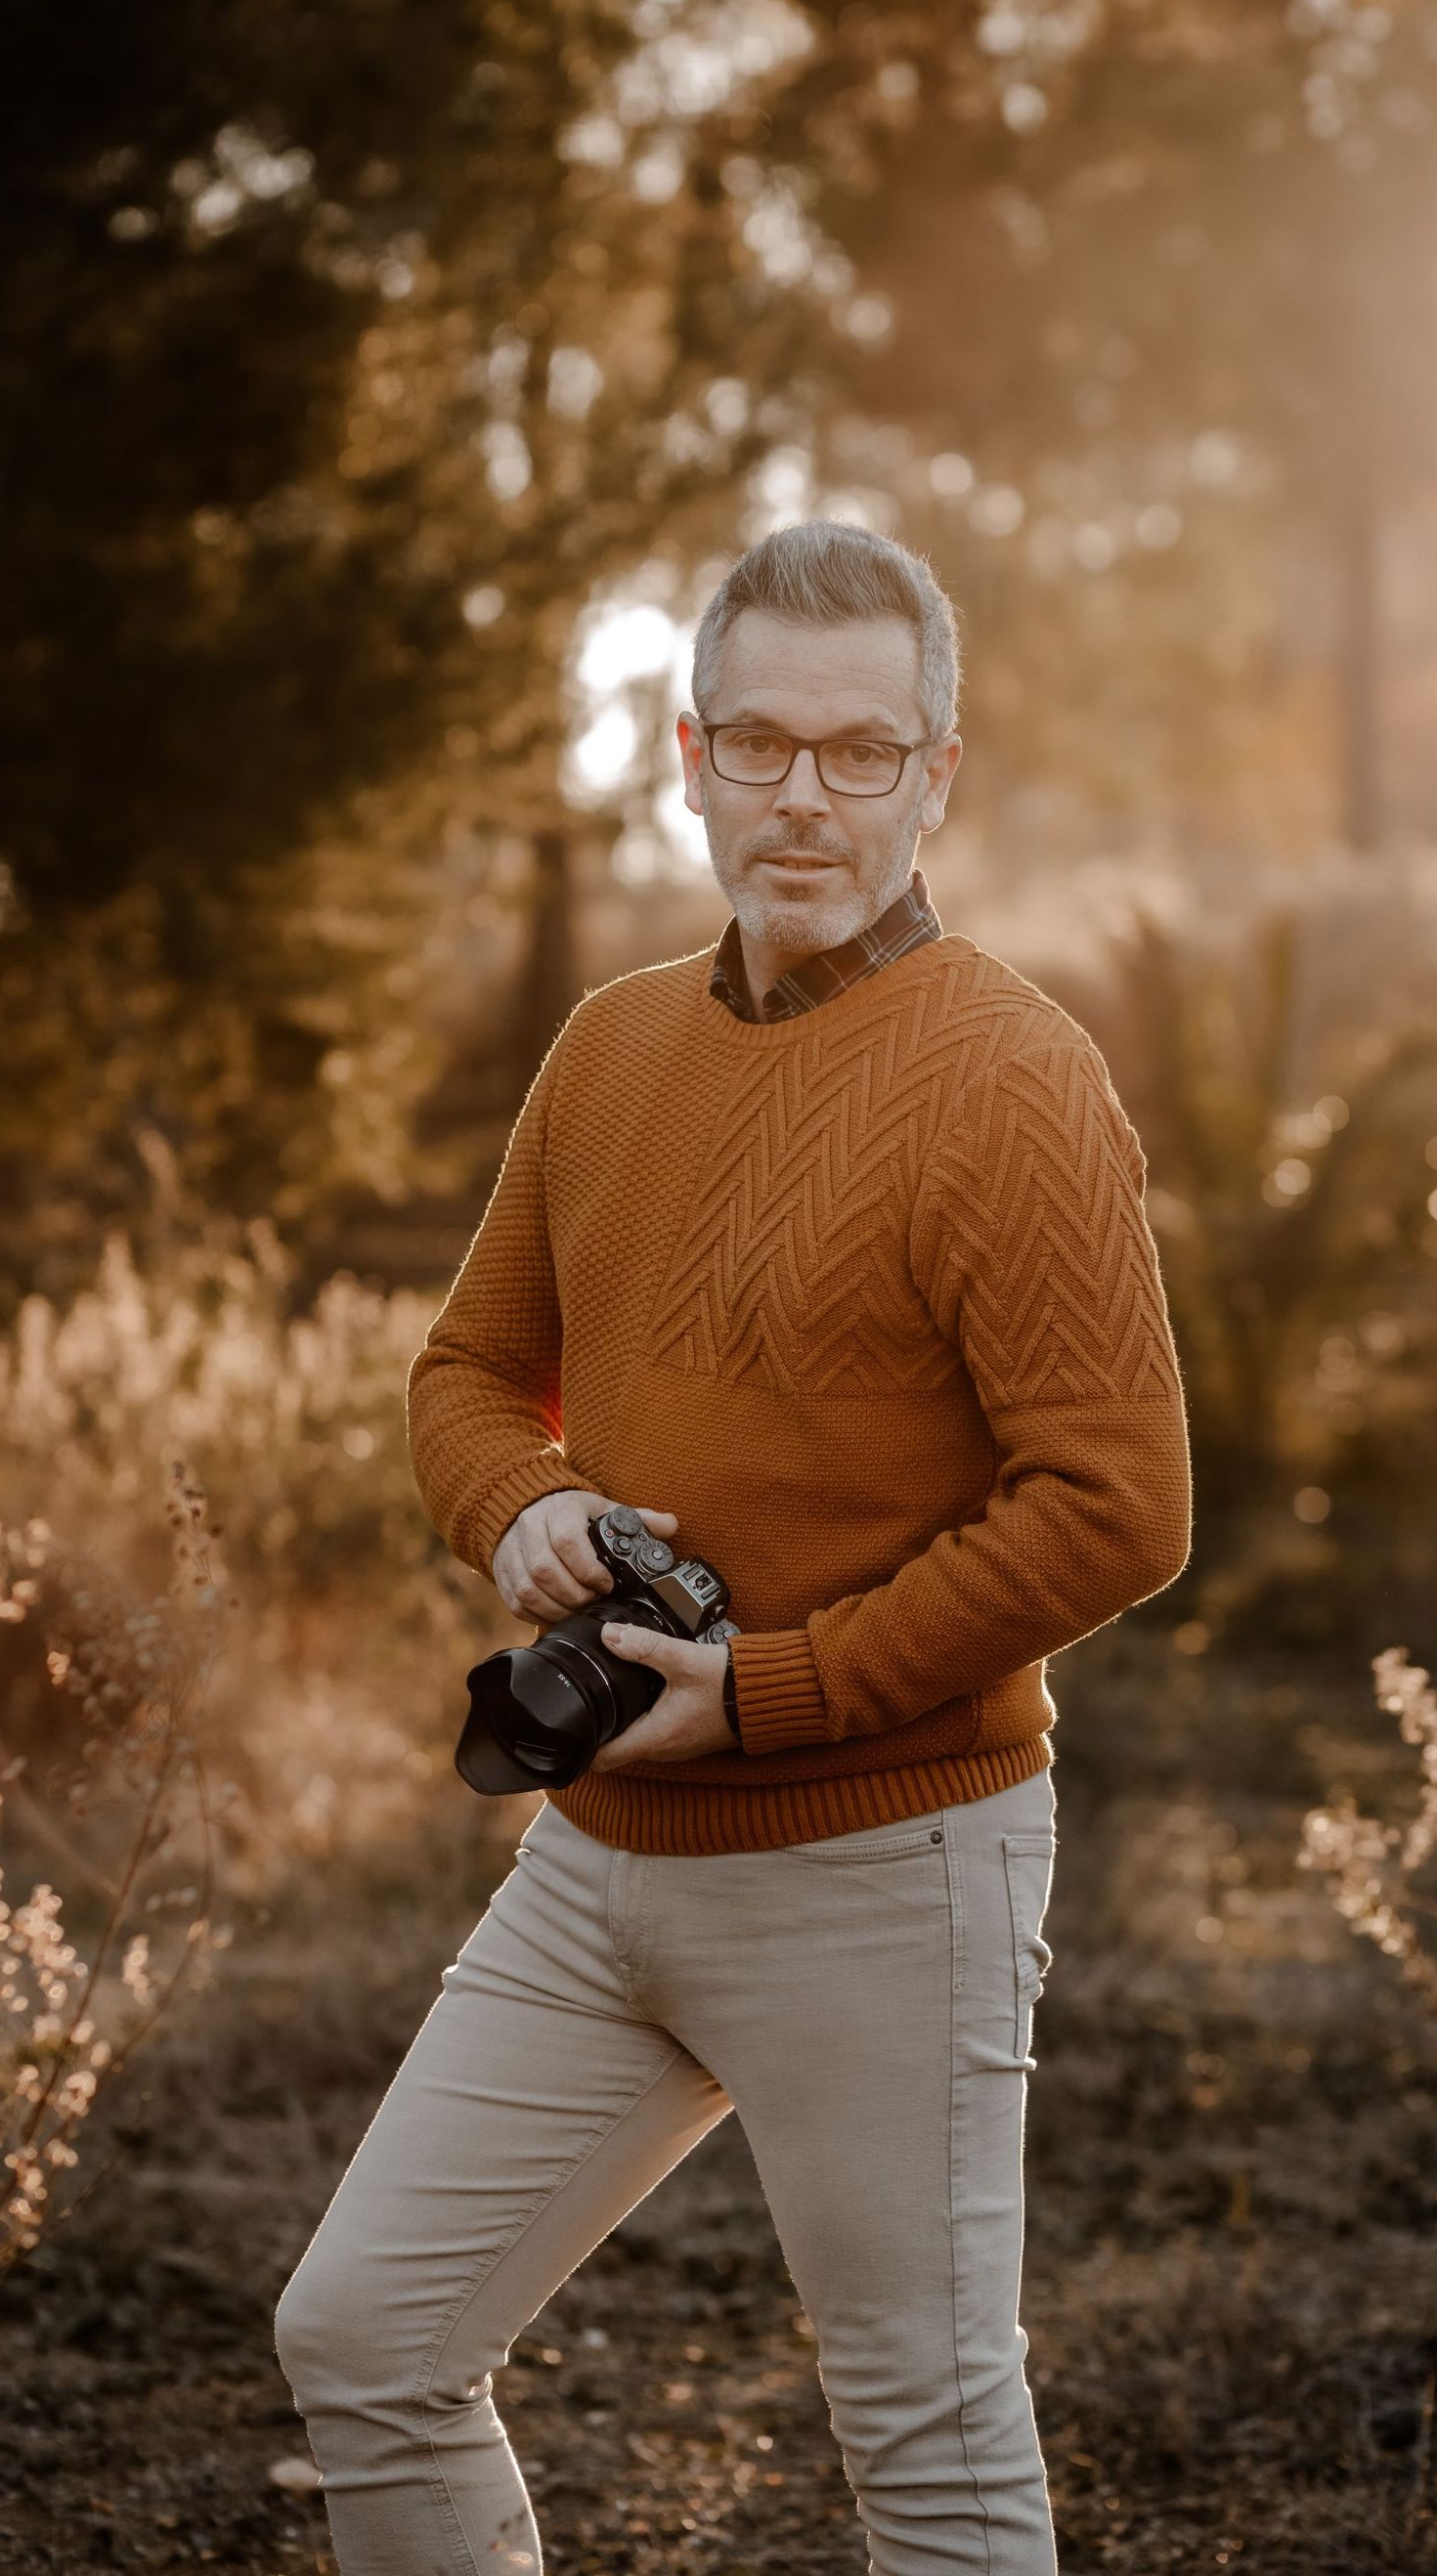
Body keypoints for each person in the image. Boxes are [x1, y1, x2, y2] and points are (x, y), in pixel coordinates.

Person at [273, 518, 1194, 2574]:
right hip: (602, 1857)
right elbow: (470, 1370)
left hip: (888, 1859)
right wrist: (527, 1506)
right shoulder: (611, 1047)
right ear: (687, 754)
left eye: (861, 752)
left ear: (937, 772)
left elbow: (1121, 1505)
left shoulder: (1013, 1079)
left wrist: (771, 1689)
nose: (803, 796)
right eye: (759, 741)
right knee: (364, 2335)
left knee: (931, 2454)